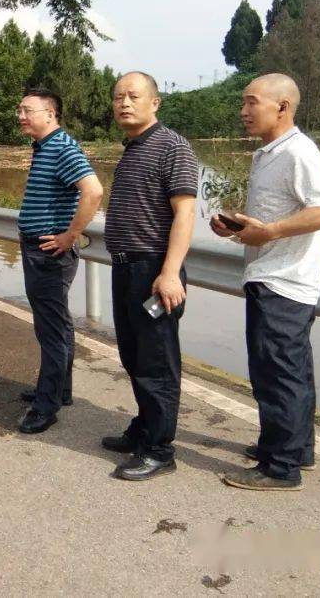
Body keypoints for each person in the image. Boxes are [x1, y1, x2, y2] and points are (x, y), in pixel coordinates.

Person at [211, 73, 320, 492]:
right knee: (292, 372)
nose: (243, 111)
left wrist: (268, 233)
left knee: (276, 375)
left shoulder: (298, 152)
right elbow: (273, 217)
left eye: (252, 102)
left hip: (283, 282)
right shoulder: (269, 154)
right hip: (274, 278)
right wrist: (238, 229)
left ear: (282, 107)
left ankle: (280, 467)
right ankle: (295, 448)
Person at [103, 72, 198, 480]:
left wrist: (170, 272)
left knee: (156, 360)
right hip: (127, 266)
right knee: (133, 354)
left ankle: (159, 449)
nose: (124, 102)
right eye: (118, 96)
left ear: (155, 103)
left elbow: (186, 212)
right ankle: (144, 428)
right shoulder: (133, 148)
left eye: (134, 96)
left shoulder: (172, 146)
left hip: (154, 269)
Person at [14, 88, 103, 434]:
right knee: (58, 324)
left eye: (28, 110)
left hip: (49, 253)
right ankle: (59, 391)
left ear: (50, 114)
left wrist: (69, 236)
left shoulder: (62, 146)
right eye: (19, 110)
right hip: (39, 250)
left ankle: (46, 406)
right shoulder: (43, 147)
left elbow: (93, 190)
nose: (21, 116)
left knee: (50, 329)